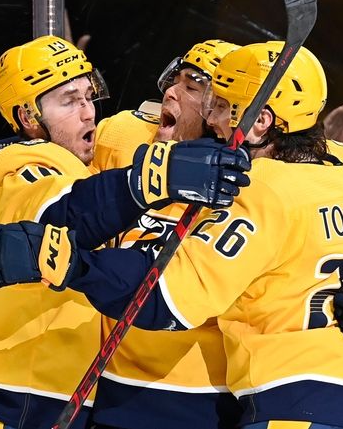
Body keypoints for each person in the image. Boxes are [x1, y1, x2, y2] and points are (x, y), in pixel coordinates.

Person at [0, 41, 343, 429]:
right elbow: (40, 172)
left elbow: (168, 295)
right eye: (178, 82)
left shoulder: (259, 182)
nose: (200, 105)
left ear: (257, 117)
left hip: (240, 403)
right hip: (127, 400)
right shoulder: (124, 138)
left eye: (206, 92)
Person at [0, 35, 250, 429]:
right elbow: (62, 214)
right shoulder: (28, 165)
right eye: (67, 101)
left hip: (110, 400)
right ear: (28, 116)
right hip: (25, 396)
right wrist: (155, 177)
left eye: (88, 96)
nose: (88, 114)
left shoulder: (115, 142)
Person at [88, 40, 244, 429]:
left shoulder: (249, 175)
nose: (169, 92)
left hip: (208, 398)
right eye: (173, 80)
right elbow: (49, 168)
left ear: (222, 110)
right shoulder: (122, 137)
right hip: (110, 389)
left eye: (191, 87)